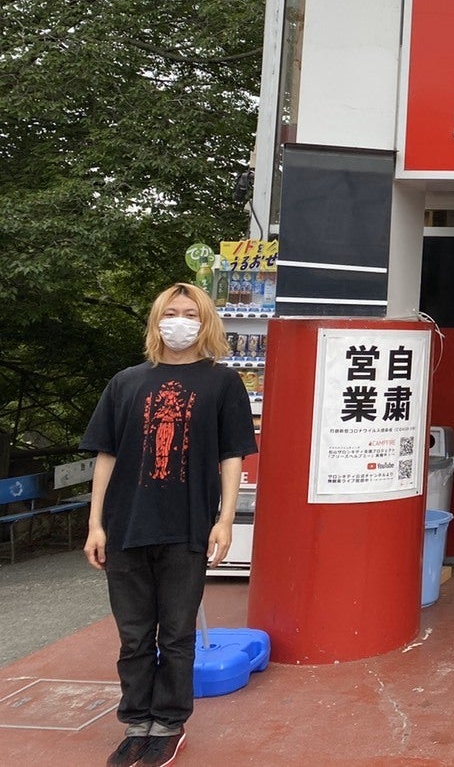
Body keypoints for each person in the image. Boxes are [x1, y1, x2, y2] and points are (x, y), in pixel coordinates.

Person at [82, 282, 258, 767]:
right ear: (156, 320)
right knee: (134, 636)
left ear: (206, 323)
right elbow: (105, 455)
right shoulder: (125, 382)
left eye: (191, 313)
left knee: (177, 635)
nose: (180, 321)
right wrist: (95, 524)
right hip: (126, 528)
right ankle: (136, 722)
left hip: (187, 528)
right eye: (171, 312)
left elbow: (232, 455)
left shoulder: (223, 383)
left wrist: (225, 519)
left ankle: (169, 724)